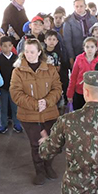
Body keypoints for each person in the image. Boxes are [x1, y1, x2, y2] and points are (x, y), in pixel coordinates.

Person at [10, 38, 62, 185]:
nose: (29, 54)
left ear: (39, 52)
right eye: (26, 51)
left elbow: (57, 89)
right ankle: (39, 171)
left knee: (50, 142)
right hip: (28, 115)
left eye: (32, 52)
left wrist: (47, 102)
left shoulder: (50, 69)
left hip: (49, 112)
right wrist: (35, 104)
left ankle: (48, 166)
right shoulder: (18, 71)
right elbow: (16, 93)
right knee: (36, 143)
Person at [0, 36, 23, 134]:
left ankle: (17, 123)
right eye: (5, 46)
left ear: (12, 46)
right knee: (3, 107)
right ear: (0, 47)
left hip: (14, 87)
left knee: (15, 107)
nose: (7, 48)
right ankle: (3, 125)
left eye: (9, 46)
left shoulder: (16, 58)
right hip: (3, 88)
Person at [68, 37, 98, 111]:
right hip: (80, 91)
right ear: (84, 48)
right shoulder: (79, 59)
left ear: (96, 48)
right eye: (87, 47)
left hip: (94, 93)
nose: (89, 49)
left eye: (92, 47)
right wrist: (70, 93)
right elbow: (73, 77)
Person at [64, 0, 98, 65]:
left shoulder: (93, 19)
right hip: (77, 52)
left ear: (85, 6)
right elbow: (67, 41)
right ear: (74, 7)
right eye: (77, 6)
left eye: (81, 6)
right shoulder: (68, 21)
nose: (79, 9)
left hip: (92, 52)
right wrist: (71, 57)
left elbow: (97, 36)